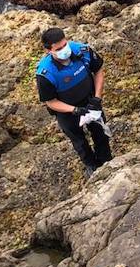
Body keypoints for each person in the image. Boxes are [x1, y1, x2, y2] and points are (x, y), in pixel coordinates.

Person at [36, 27, 111, 177]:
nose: (64, 49)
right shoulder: (45, 73)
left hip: (90, 100)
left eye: (65, 44)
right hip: (67, 111)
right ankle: (91, 165)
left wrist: (97, 97)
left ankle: (106, 160)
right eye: (59, 48)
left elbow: (98, 70)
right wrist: (74, 110)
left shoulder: (82, 51)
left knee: (100, 132)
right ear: (49, 51)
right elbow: (51, 102)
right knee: (79, 141)